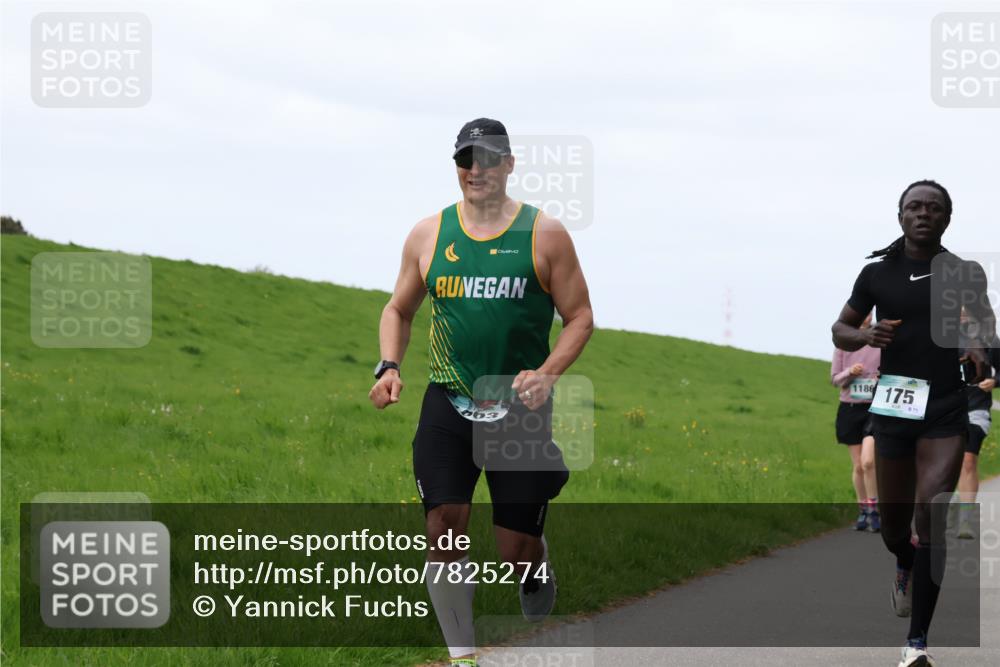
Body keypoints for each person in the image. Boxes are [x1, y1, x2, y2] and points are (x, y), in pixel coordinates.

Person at [368, 118, 594, 666]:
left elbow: (580, 317)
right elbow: (398, 308)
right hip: (448, 400)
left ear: (510, 165)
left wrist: (546, 374)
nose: (477, 170)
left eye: (489, 159)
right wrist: (389, 366)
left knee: (514, 551)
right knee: (444, 524)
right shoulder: (430, 234)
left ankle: (536, 560)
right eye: (467, 160)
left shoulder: (545, 235)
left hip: (519, 408)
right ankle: (463, 656)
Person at [831, 180, 993, 667]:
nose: (924, 213)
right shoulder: (877, 274)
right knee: (897, 531)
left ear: (948, 218)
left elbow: (986, 324)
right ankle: (903, 559)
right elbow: (839, 327)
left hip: (945, 405)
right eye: (914, 206)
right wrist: (865, 332)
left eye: (934, 208)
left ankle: (917, 643)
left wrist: (977, 347)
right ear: (900, 215)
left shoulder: (965, 272)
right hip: (896, 407)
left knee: (932, 517)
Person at [831, 313, 881, 532]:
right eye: (863, 312)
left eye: (870, 312)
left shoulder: (880, 340)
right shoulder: (844, 343)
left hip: (874, 408)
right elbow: (834, 379)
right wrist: (850, 372)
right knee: (859, 465)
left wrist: (881, 377)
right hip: (850, 408)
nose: (866, 316)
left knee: (869, 461)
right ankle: (863, 510)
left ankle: (874, 510)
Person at [956, 333, 999, 539]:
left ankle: (965, 519)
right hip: (945, 411)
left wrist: (995, 381)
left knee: (968, 461)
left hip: (976, 409)